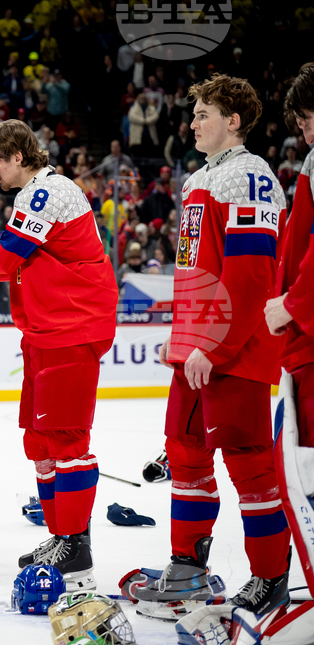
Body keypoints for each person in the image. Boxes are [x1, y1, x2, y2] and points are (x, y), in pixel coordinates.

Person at [136, 75, 291, 620]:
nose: (193, 122)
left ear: (234, 121)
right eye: (194, 113)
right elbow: (195, 270)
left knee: (250, 466)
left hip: (235, 351)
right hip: (197, 352)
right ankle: (187, 567)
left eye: (205, 114)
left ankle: (270, 577)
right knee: (184, 454)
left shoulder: (253, 176)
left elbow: (250, 276)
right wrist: (183, 341)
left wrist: (214, 347)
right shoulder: (199, 178)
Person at [0, 120, 117, 590]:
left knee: (65, 440)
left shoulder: (47, 192)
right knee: (42, 441)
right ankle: (61, 534)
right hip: (49, 328)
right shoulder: (35, 194)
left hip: (71, 326)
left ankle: (76, 545)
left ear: (19, 157)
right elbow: (4, 261)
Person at [262, 60, 314, 638]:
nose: (302, 131)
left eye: (305, 118)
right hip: (304, 340)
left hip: (310, 339)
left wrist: (294, 304)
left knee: (303, 473)